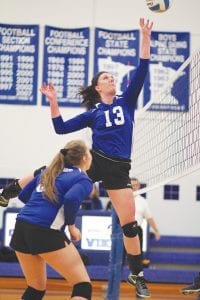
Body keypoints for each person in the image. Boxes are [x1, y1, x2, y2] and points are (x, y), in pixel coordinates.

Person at [0, 18, 153, 298]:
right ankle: (7, 191)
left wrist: (145, 36)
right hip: (95, 159)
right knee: (50, 170)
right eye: (106, 77)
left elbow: (143, 68)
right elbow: (60, 128)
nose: (111, 79)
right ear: (97, 87)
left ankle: (136, 274)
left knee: (129, 224)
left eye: (112, 77)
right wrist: (53, 102)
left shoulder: (126, 101)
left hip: (119, 168)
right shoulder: (92, 113)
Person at [9, 140, 93, 300]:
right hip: (45, 230)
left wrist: (40, 209)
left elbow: (23, 195)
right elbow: (71, 198)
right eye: (90, 154)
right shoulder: (82, 179)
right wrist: (71, 226)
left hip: (21, 227)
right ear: (84, 158)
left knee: (35, 288)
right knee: (82, 286)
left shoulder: (48, 171)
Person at [131, 178, 161, 266]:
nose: (134, 187)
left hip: (137, 230)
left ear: (139, 186)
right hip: (123, 230)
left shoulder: (142, 201)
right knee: (121, 255)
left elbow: (149, 218)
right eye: (132, 185)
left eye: (136, 185)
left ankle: (135, 277)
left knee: (137, 256)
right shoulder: (123, 199)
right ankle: (118, 278)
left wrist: (156, 230)